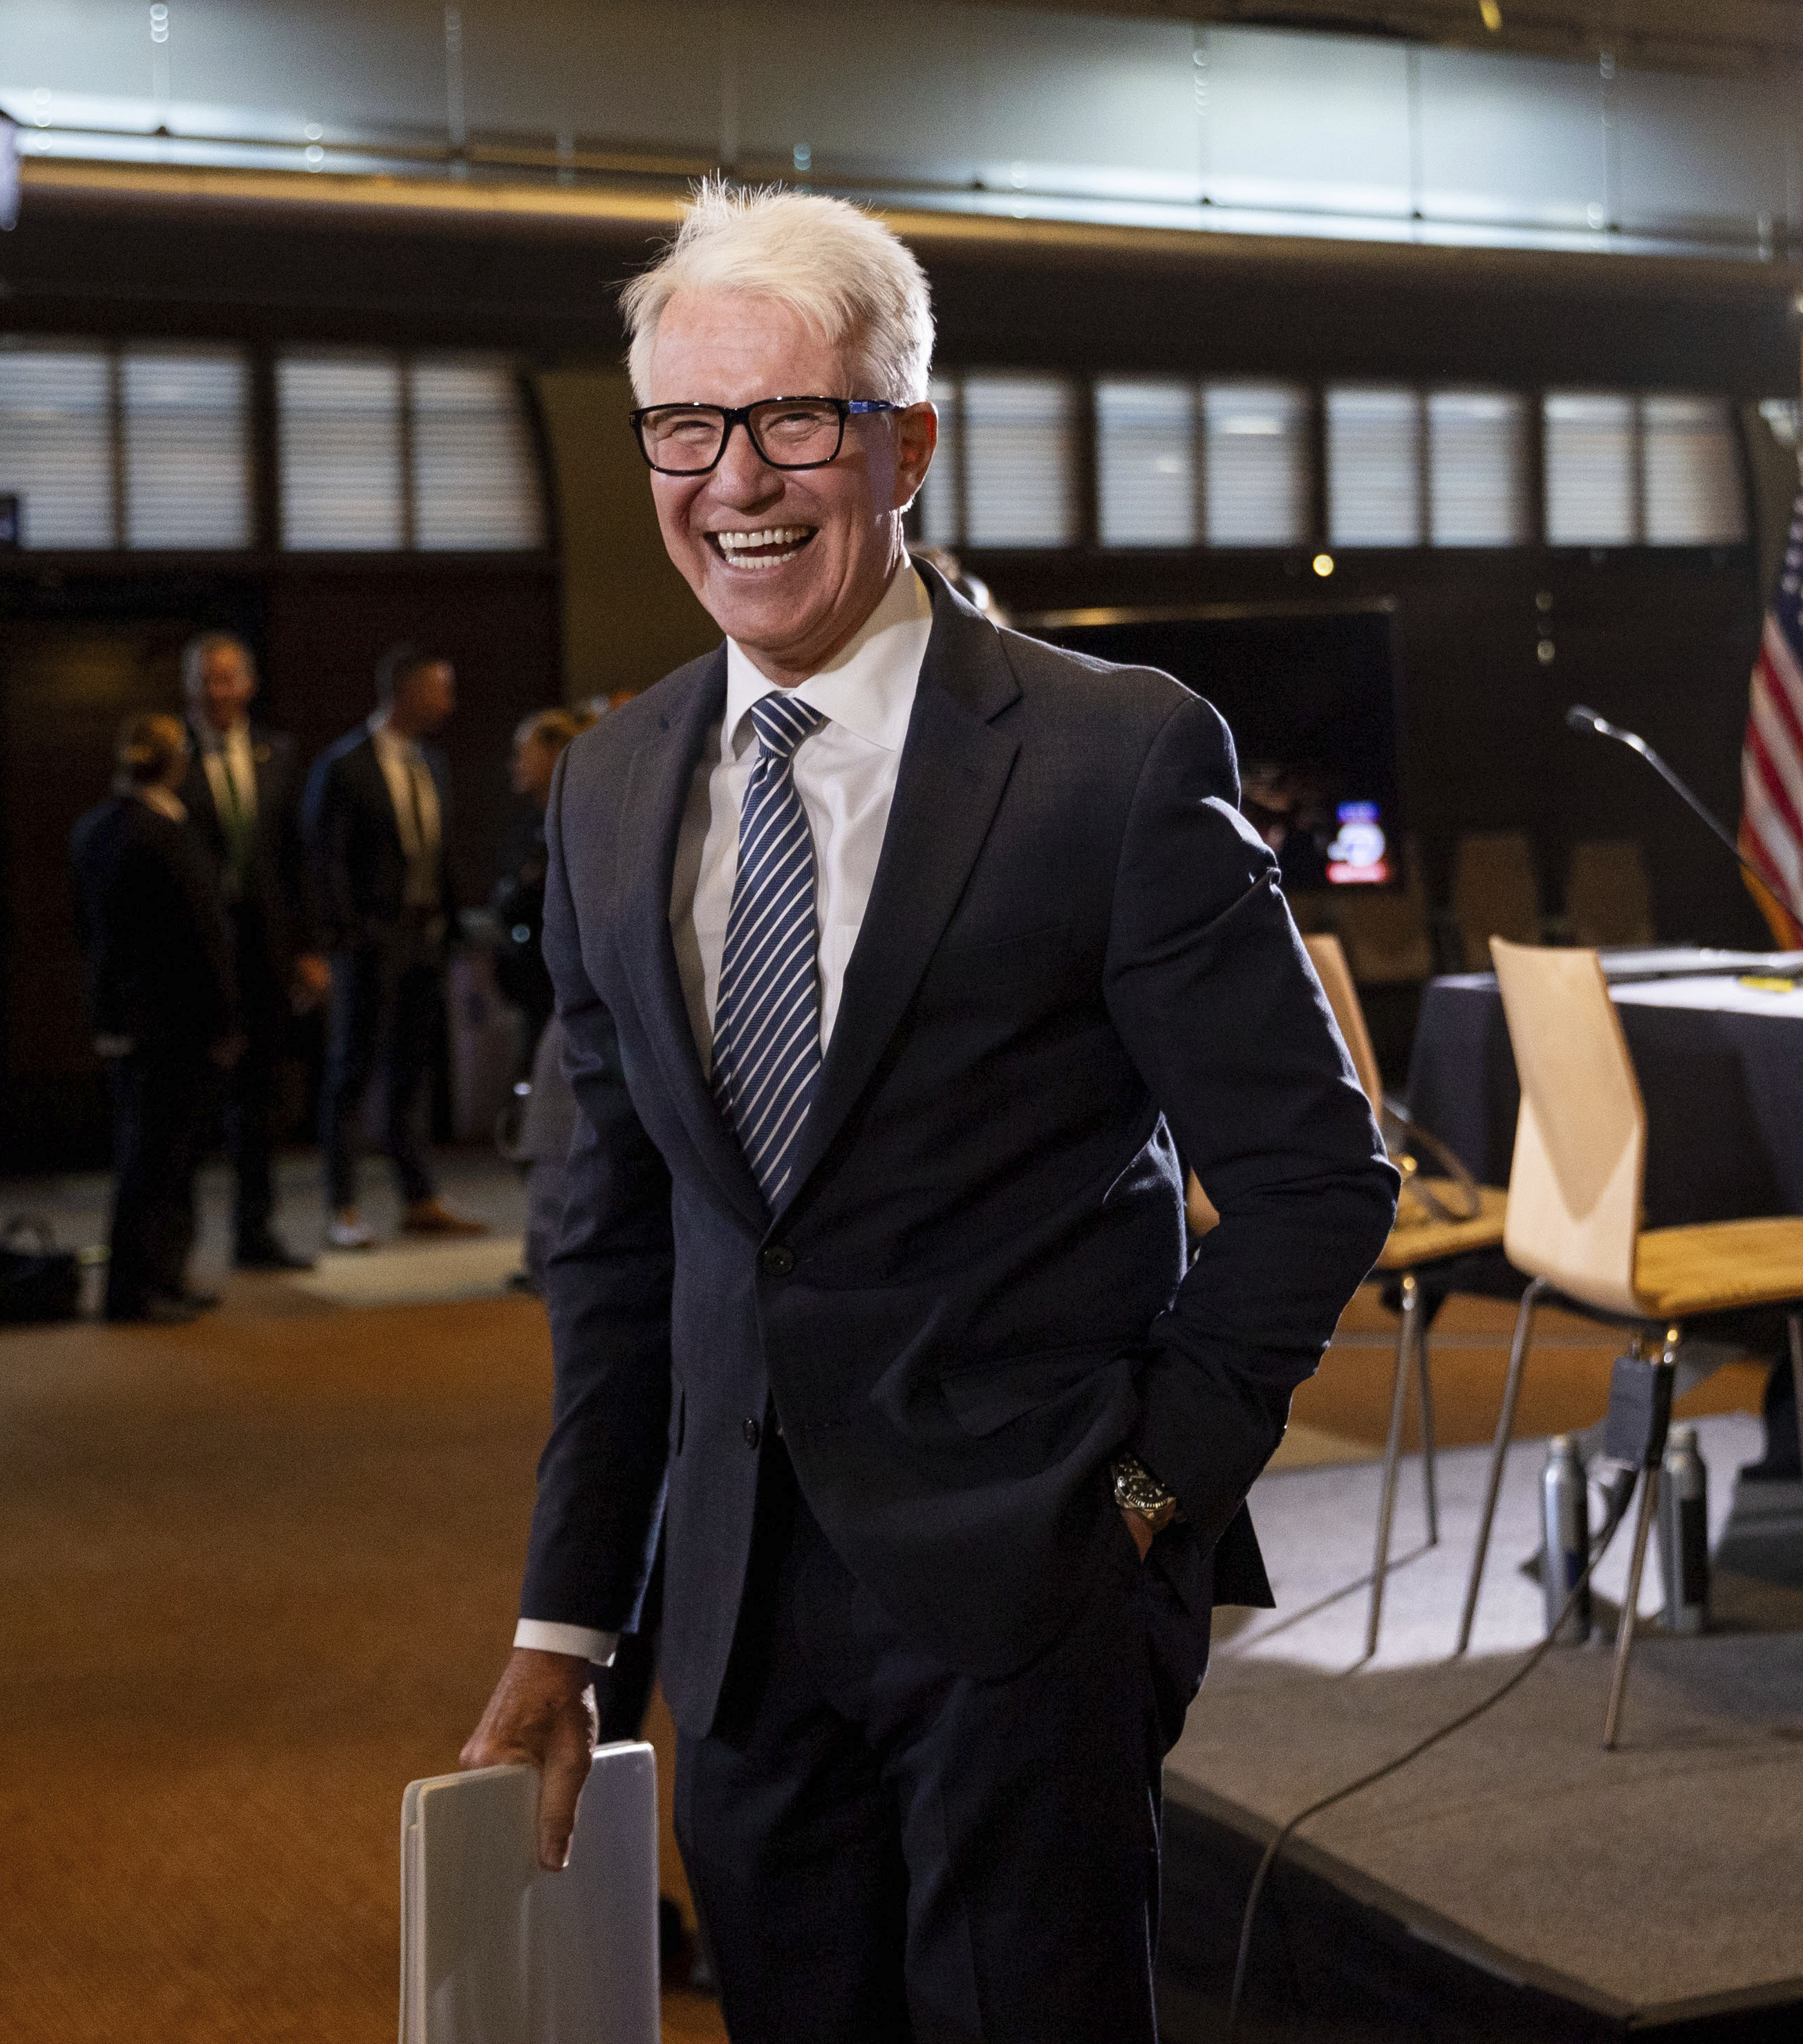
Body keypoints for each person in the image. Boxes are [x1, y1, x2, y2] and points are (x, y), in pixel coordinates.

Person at [460, 183, 1394, 2040]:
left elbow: (1313, 1174)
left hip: (1033, 1592)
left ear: (907, 441)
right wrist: (570, 1619)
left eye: (794, 417)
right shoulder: (610, 786)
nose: (738, 476)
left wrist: (1146, 1496)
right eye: (685, 425)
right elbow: (612, 1238)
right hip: (729, 1621)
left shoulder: (1112, 757)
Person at [304, 641, 480, 1248]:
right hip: (370, 944)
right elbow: (324, 862)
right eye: (440, 688)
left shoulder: (433, 763)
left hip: (425, 941)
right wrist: (346, 938)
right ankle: (343, 1207)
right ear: (405, 692)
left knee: (411, 1075)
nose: (449, 702)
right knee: (351, 1073)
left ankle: (418, 1197)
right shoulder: (345, 765)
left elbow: (440, 853)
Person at [68, 714, 239, 1325]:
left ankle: (156, 1278)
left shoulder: (95, 829)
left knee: (147, 1152)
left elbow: (88, 930)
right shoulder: (165, 833)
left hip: (126, 1015)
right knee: (162, 1158)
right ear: (176, 761)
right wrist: (225, 1017)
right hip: (177, 1019)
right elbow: (203, 934)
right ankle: (142, 1287)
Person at [178, 630, 326, 1274]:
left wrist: (309, 949)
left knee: (260, 1100)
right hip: (194, 952)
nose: (219, 690)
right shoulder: (172, 753)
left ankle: (254, 1234)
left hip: (264, 951)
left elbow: (298, 860)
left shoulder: (279, 754)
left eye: (229, 677)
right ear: (190, 686)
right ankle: (173, 1249)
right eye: (207, 678)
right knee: (189, 1103)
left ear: (249, 685)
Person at [492, 705, 590, 1063]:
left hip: (559, 987)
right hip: (528, 984)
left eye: (523, 753)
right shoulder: (531, 824)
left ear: (553, 753)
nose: (514, 764)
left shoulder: (576, 823)